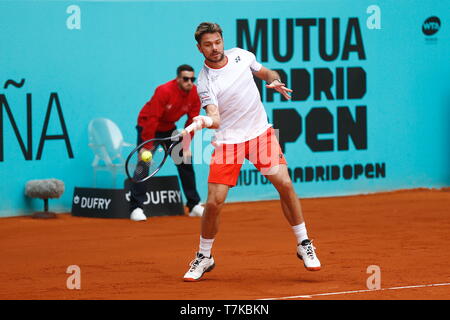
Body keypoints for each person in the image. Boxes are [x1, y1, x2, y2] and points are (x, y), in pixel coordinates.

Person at [183, 22, 321, 281]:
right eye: (208, 45)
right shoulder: (204, 81)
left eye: (217, 42)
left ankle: (303, 244)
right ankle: (204, 256)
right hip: (228, 141)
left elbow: (267, 73)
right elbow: (215, 117)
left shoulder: (242, 55)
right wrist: (203, 121)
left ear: (222, 41)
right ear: (199, 48)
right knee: (213, 203)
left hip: (259, 133)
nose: (214, 48)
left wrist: (276, 81)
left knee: (285, 184)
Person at [129, 64, 204, 221]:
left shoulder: (195, 93)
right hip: (148, 126)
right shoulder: (164, 91)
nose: (190, 82)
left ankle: (194, 204)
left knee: (185, 160)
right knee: (144, 163)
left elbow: (192, 121)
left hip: (169, 128)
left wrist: (186, 145)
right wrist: (146, 148)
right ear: (178, 79)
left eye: (192, 79)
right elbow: (153, 118)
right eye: (185, 79)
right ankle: (136, 208)